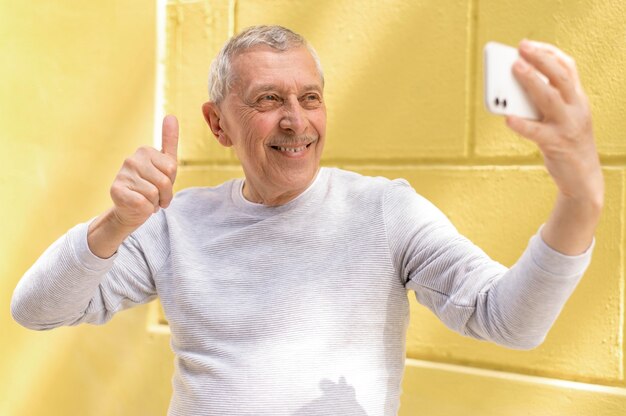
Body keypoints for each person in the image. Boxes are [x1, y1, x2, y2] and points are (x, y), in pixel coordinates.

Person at [11, 25, 603, 416]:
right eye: (269, 100)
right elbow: (34, 309)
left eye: (310, 98)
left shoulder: (385, 210)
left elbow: (509, 321)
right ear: (218, 125)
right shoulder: (174, 222)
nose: (297, 121)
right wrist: (115, 223)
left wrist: (580, 201)